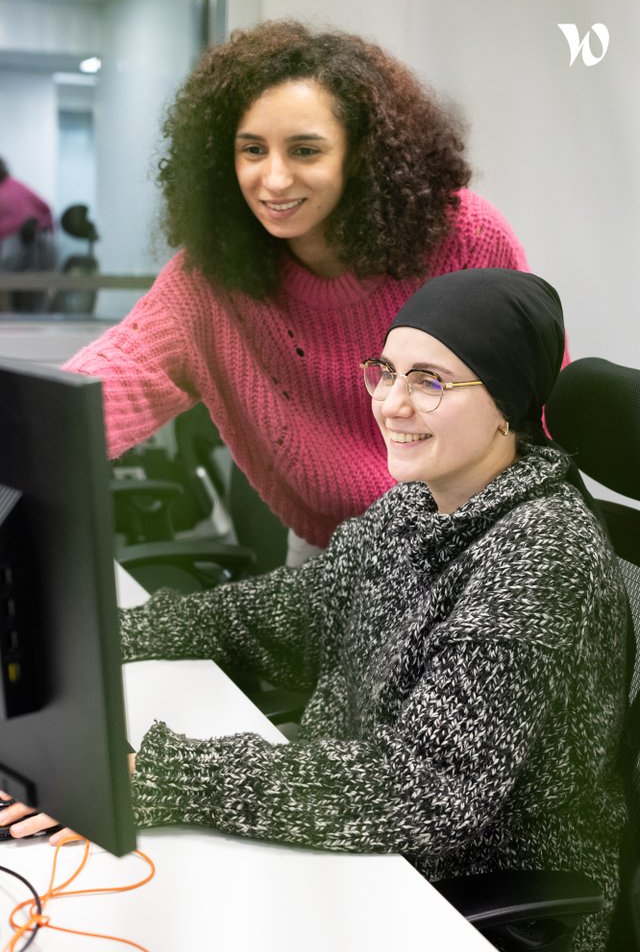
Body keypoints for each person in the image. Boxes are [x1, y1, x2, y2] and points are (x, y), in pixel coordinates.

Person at [4, 268, 626, 952]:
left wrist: (163, 778)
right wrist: (97, 636)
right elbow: (286, 609)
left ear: (506, 402)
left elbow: (423, 790)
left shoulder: (540, 561)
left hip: (465, 899)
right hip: (365, 848)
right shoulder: (421, 504)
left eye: (431, 382)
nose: (391, 403)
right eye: (385, 372)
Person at [61, 19, 562, 563]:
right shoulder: (209, 280)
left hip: (479, 542)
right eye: (252, 150)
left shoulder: (464, 237)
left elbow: (540, 407)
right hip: (332, 551)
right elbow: (118, 377)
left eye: (304, 151)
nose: (273, 180)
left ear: (361, 154)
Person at [0, 157, 57, 312]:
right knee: (9, 281)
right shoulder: (12, 187)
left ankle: (37, 314)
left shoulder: (16, 186)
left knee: (37, 283)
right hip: (12, 243)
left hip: (33, 240)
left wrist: (42, 226)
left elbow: (45, 208)